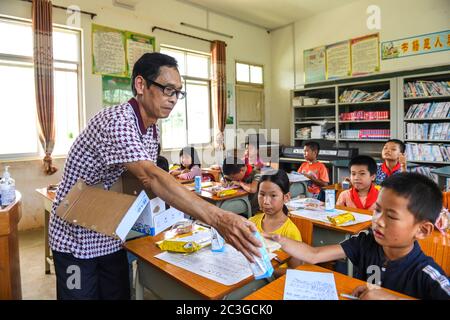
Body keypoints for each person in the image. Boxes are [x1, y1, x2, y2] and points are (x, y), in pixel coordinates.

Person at [49, 52, 261, 300]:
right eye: (167, 89)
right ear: (141, 85)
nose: (173, 99)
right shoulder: (117, 120)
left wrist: (176, 220)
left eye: (177, 93)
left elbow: (147, 182)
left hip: (110, 230)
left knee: (117, 294)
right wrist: (219, 218)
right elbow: (154, 176)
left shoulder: (151, 130)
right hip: (74, 233)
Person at [265, 172, 450, 300]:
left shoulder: (427, 274)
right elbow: (314, 254)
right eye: (377, 210)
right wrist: (275, 239)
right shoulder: (366, 242)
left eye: (391, 216)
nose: (378, 221)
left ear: (422, 230)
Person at [249, 170, 302, 276]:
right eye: (262, 194)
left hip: (274, 283)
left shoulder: (291, 231)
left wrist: (269, 271)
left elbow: (295, 270)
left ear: (286, 197)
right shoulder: (252, 222)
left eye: (273, 196)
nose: (266, 201)